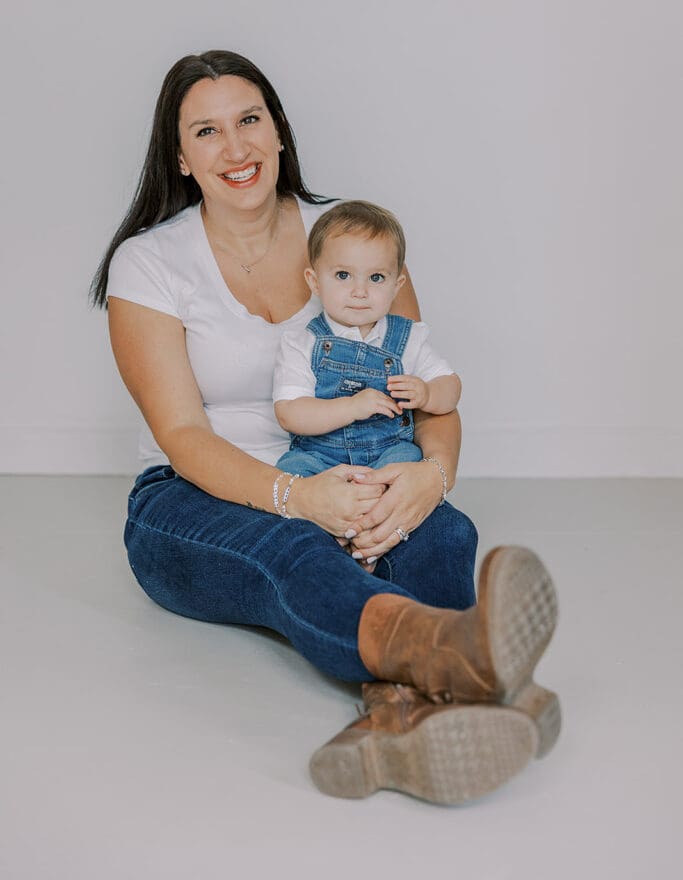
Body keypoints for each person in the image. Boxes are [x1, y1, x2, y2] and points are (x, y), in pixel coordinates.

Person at [91, 49, 560, 805]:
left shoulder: (353, 238)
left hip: (357, 470)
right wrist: (299, 499)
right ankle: (476, 673)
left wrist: (426, 478)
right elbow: (182, 434)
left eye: (249, 120)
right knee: (300, 552)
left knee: (442, 532)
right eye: (206, 131)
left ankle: (392, 727)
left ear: (279, 131)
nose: (235, 147)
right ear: (180, 156)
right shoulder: (149, 265)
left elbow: (426, 392)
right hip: (194, 498)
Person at [273, 201, 461, 499]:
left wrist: (427, 393)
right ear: (314, 281)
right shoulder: (303, 343)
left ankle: (369, 515)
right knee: (292, 471)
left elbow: (451, 387)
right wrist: (351, 407)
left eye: (376, 278)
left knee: (409, 463)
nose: (360, 291)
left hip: (387, 455)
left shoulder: (407, 338)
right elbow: (290, 413)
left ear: (397, 285)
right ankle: (335, 522)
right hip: (320, 458)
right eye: (343, 275)